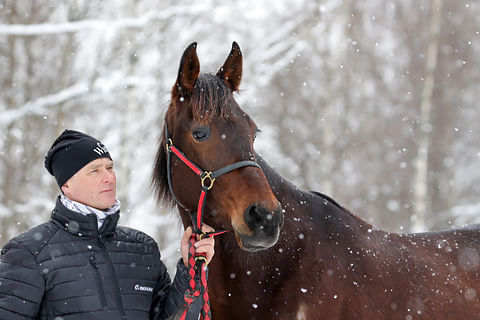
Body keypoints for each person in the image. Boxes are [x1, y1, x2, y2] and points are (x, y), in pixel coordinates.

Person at [0, 129, 215, 319]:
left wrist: (190, 269)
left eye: (110, 167)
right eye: (94, 170)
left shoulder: (142, 249)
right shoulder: (29, 253)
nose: (109, 178)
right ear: (66, 184)